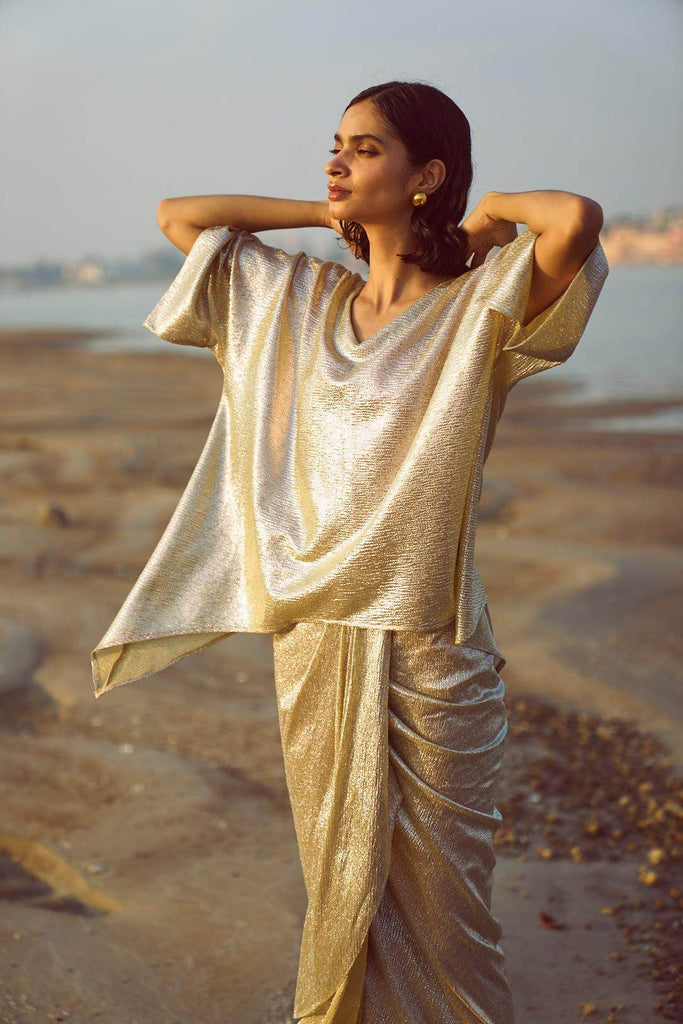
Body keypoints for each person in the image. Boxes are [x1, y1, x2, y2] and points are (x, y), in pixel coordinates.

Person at [90, 80, 608, 1023]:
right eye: (336, 144)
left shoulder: (479, 305)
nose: (337, 160)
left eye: (365, 149)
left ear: (426, 175)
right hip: (317, 639)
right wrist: (325, 213)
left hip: (432, 648)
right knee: (340, 893)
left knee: (446, 917)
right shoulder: (296, 297)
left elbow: (572, 220)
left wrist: (487, 216)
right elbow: (181, 217)